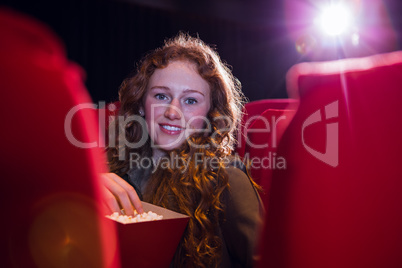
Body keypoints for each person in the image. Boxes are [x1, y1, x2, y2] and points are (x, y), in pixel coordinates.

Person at [101, 32, 263, 267]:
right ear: (142, 104)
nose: (172, 112)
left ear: (210, 113)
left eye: (190, 101)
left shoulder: (227, 179)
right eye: (161, 96)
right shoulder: (111, 169)